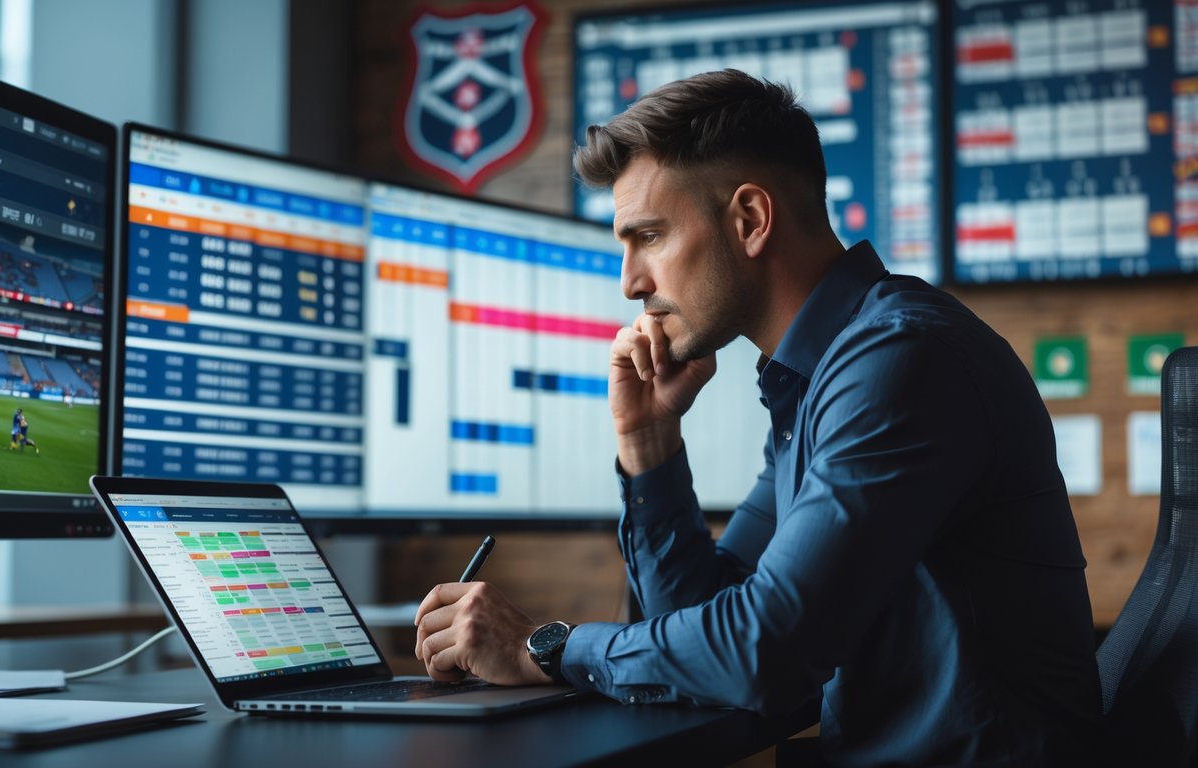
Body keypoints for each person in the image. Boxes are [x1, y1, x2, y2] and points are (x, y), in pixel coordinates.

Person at [412, 70, 1102, 765]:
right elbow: (699, 631)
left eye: (647, 235)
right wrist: (649, 442)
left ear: (749, 220)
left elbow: (762, 652)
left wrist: (548, 647)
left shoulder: (902, 361)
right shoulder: (819, 379)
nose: (629, 282)